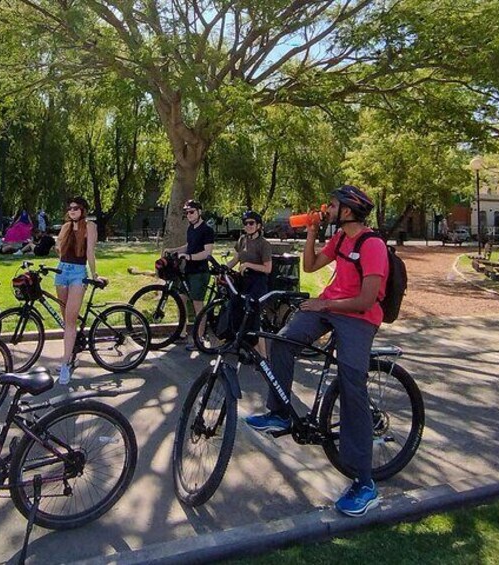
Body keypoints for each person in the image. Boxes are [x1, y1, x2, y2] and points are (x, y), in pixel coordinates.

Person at [245, 185, 388, 518]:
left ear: (349, 211)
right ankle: (279, 412)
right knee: (282, 341)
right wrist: (311, 232)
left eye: (334, 205)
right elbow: (309, 267)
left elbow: (367, 300)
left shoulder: (373, 245)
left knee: (352, 384)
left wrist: (326, 303)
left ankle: (364, 483)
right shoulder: (339, 239)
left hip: (359, 317)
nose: (328, 209)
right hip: (329, 307)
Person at [55, 196, 99, 385]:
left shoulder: (90, 227)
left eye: (76, 208)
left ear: (83, 210)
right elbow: (59, 249)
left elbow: (90, 251)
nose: (72, 210)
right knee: (65, 317)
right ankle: (71, 354)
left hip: (78, 273)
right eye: (70, 208)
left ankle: (65, 363)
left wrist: (94, 273)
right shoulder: (65, 227)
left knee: (71, 319)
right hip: (61, 271)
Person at [163, 199, 215, 351]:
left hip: (200, 272)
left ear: (199, 212)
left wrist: (189, 257)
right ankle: (182, 332)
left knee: (198, 305)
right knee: (181, 299)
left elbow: (207, 253)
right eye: (187, 213)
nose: (189, 215)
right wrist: (173, 250)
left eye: (191, 212)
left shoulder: (207, 230)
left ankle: (199, 339)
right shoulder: (191, 229)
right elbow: (189, 246)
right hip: (188, 271)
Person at [226, 210, 272, 355]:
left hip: (258, 282)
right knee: (238, 313)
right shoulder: (242, 240)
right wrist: (224, 269)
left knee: (254, 318)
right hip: (244, 281)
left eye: (251, 223)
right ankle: (245, 349)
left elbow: (268, 268)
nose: (248, 226)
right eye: (245, 223)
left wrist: (248, 265)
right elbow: (236, 259)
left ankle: (263, 356)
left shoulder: (263, 244)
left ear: (258, 225)